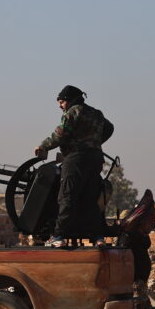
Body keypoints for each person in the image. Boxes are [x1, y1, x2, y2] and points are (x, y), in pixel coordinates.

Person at [33, 85, 113, 246]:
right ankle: (98, 237)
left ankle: (58, 237)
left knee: (67, 196)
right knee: (91, 198)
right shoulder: (96, 113)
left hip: (76, 158)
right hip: (96, 158)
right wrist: (94, 142)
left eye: (61, 102)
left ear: (70, 100)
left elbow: (60, 134)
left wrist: (43, 147)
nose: (60, 106)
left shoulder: (73, 112)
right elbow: (109, 128)